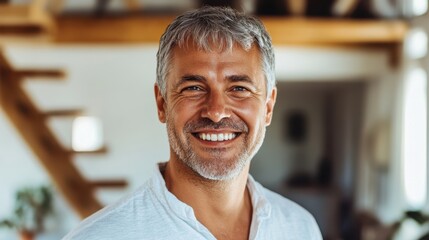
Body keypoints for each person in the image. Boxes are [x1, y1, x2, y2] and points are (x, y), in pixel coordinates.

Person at [63, 6, 322, 240]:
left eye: (239, 88)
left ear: (268, 107)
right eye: (194, 87)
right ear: (162, 103)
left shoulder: (300, 228)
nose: (216, 111)